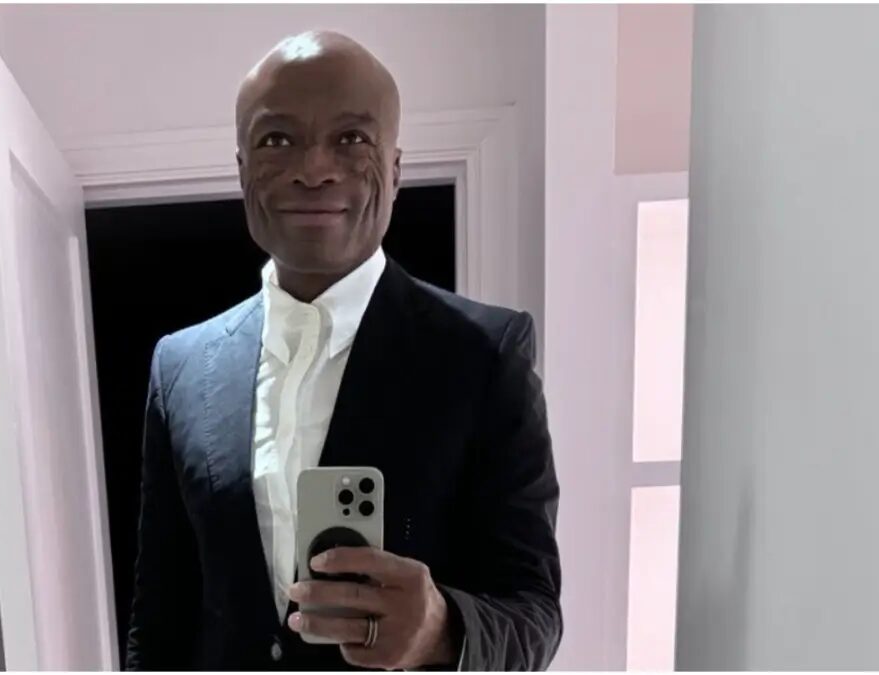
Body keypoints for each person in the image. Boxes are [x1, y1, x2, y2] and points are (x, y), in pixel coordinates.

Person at [125, 29, 562, 671]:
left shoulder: (484, 354)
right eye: (277, 140)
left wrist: (442, 630)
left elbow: (535, 613)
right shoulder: (182, 367)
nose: (313, 168)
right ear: (242, 169)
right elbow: (159, 617)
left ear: (395, 170)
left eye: (352, 138)